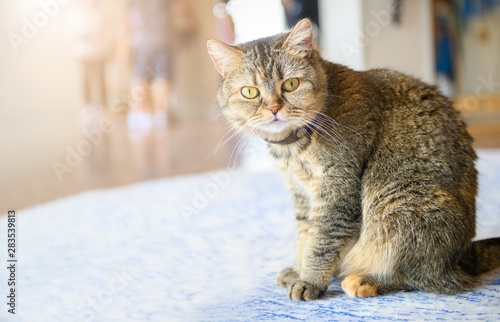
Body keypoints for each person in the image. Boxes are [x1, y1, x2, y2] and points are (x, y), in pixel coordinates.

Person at [125, 0, 196, 131]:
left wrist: (127, 39)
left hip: (141, 40)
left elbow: (127, 14)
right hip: (164, 38)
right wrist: (192, 23)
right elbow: (181, 6)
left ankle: (144, 115)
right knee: (163, 77)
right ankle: (161, 114)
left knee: (141, 78)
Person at [65, 0, 115, 126]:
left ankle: (103, 108)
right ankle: (88, 109)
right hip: (84, 52)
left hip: (100, 51)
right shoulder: (75, 12)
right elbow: (70, 31)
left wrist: (108, 45)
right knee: (86, 79)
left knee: (101, 79)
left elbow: (109, 30)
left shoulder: (102, 11)